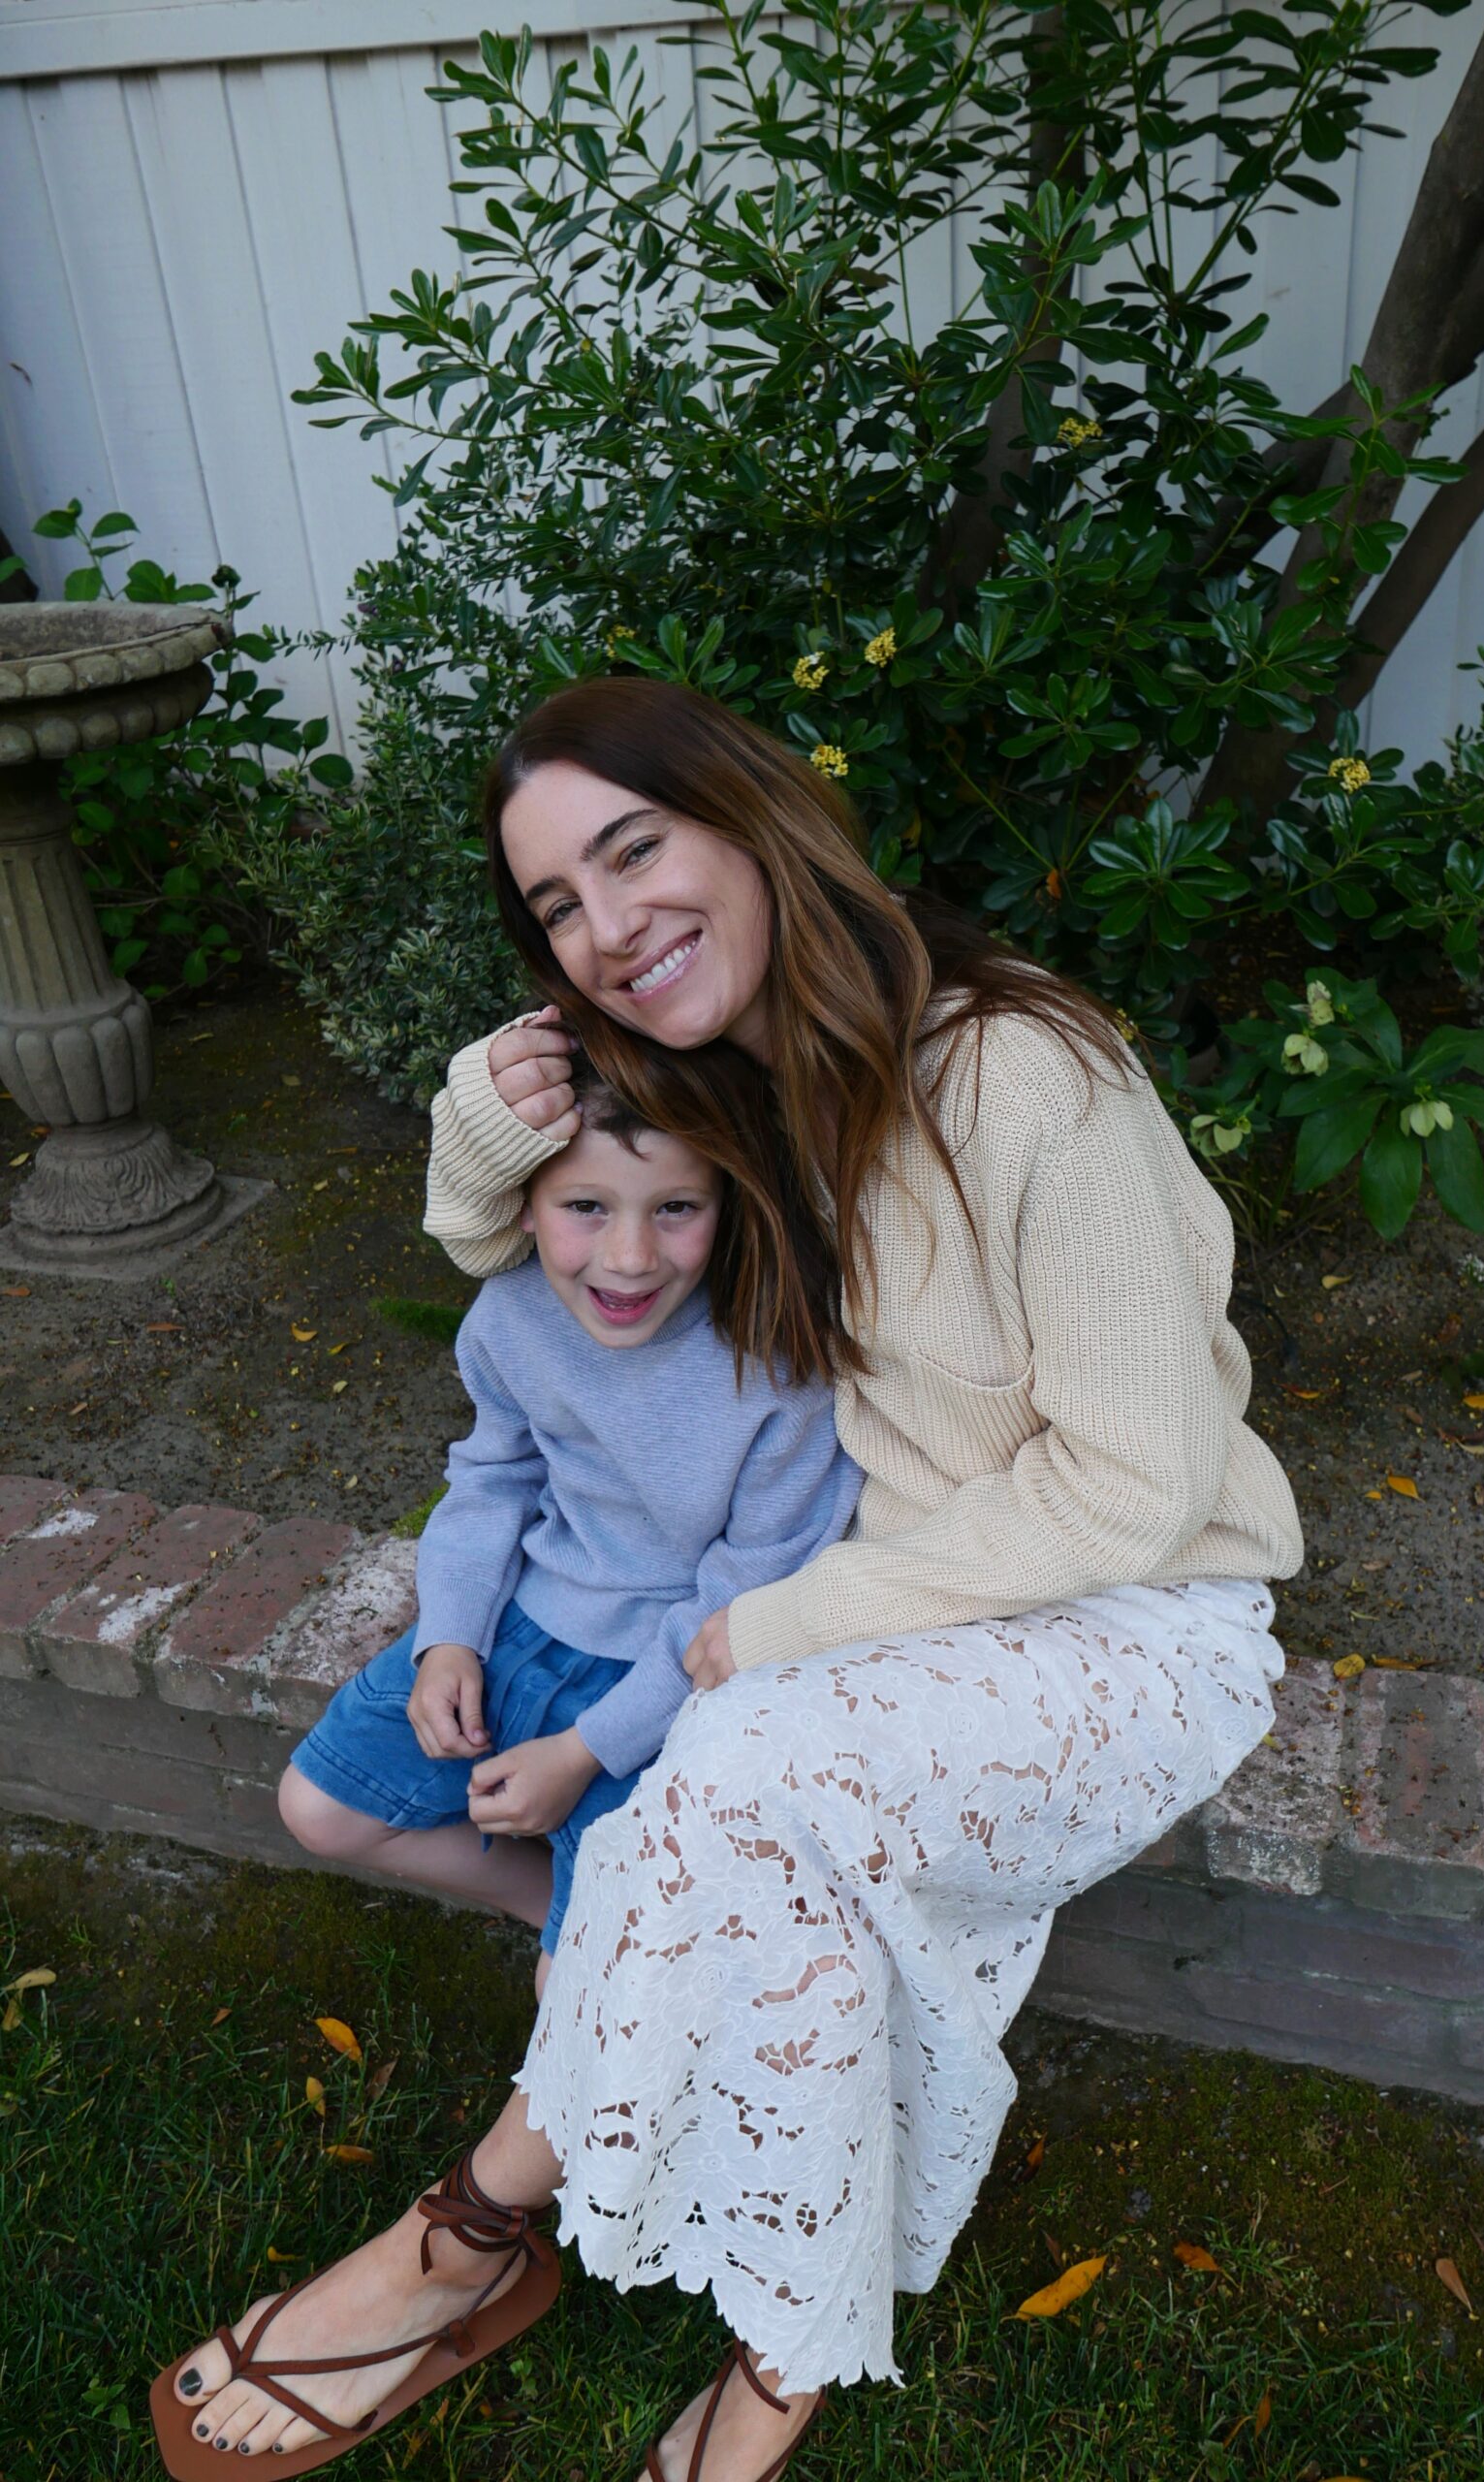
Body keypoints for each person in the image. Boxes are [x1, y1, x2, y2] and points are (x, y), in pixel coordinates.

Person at [156, 678, 1303, 2482]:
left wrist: (778, 1625)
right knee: (758, 1852)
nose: (607, 928)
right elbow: (519, 1255)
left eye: (635, 850)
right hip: (898, 1628)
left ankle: (461, 2242)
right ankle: (785, 2341)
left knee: (728, 1771)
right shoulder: (738, 1076)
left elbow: (1136, 1488)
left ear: (756, 818)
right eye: (555, 905)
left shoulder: (1027, 1076)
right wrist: (481, 1118)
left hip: (1124, 1624)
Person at [277, 1063, 862, 1997]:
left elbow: (746, 1597)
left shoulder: (779, 1366)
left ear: (730, 1208)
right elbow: (492, 1478)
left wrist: (584, 1751)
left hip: (679, 1682)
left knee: (575, 2001)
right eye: (585, 1205)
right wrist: (449, 1641)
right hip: (525, 1625)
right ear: (521, 1208)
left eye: (676, 1208)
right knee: (321, 1807)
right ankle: (567, 1906)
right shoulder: (509, 1319)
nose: (628, 1257)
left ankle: (595, 1944)